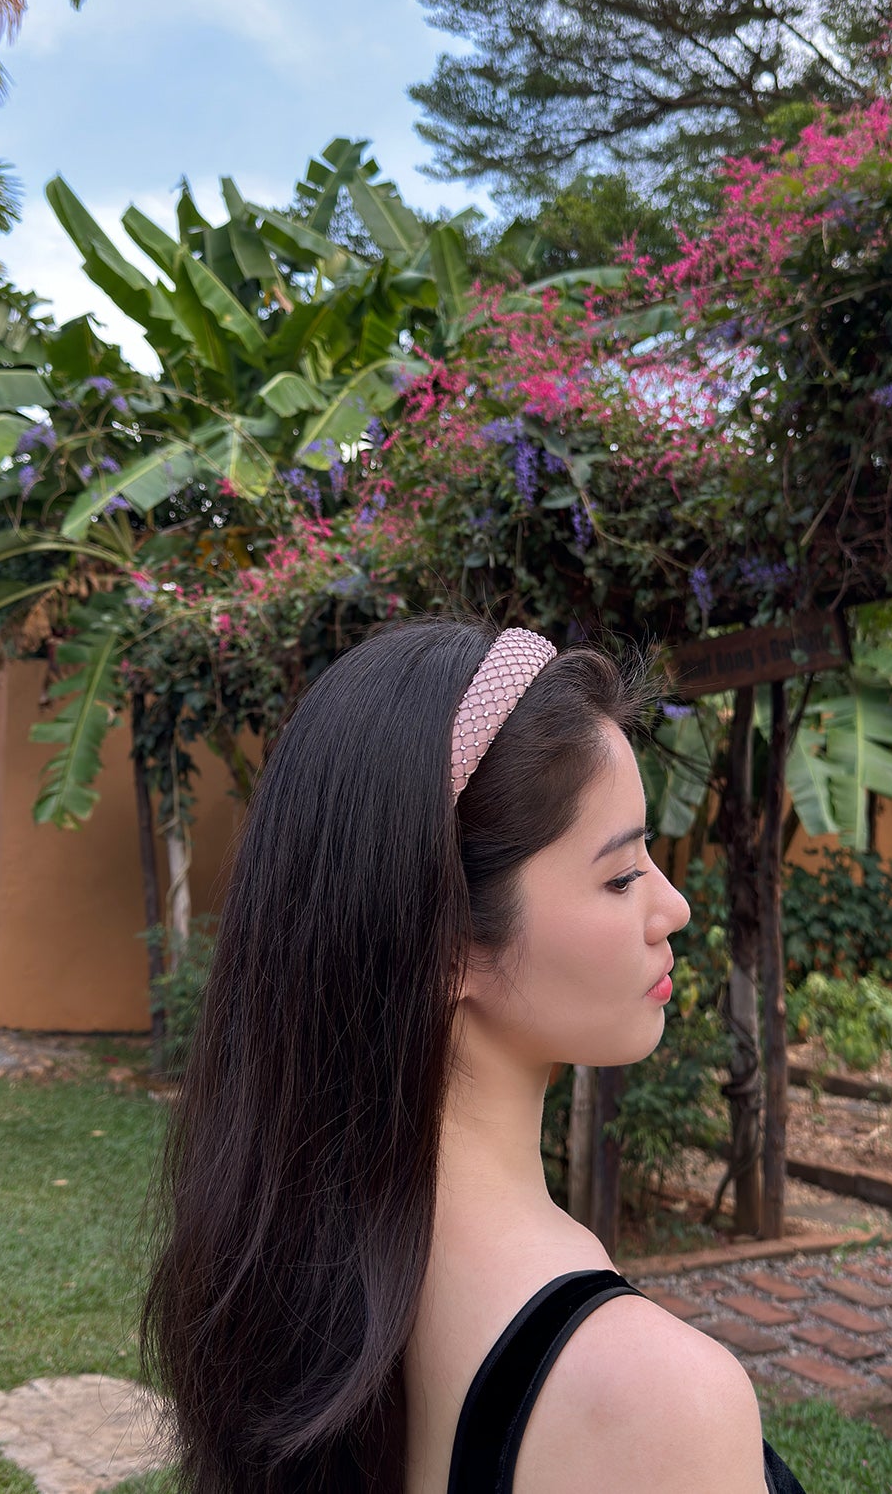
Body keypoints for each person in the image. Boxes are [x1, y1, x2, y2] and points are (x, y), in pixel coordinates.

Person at [141, 618, 807, 1494]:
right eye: (620, 876)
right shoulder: (658, 1401)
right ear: (448, 943)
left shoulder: (292, 1279)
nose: (674, 906)